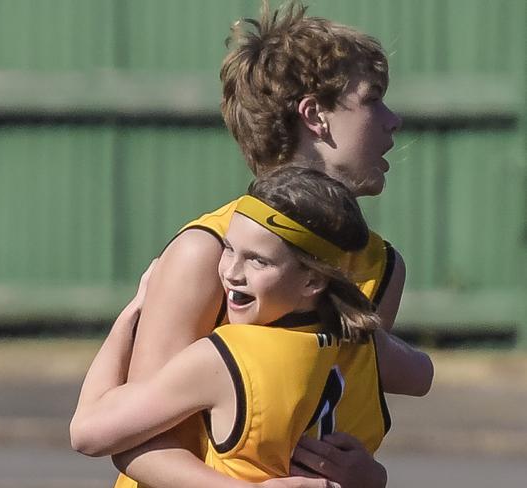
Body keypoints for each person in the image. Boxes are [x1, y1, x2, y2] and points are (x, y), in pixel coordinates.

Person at [99, 1, 413, 487]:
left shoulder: (381, 267)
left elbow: (321, 428)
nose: (393, 120)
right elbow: (132, 442)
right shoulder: (208, 252)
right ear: (315, 115)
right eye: (373, 99)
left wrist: (369, 477)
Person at [71, 168, 432, 487]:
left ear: (312, 282)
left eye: (257, 260)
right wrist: (374, 477)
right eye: (228, 249)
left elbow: (88, 433)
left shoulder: (229, 357)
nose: (231, 272)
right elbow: (422, 374)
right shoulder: (363, 341)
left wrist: (132, 314)